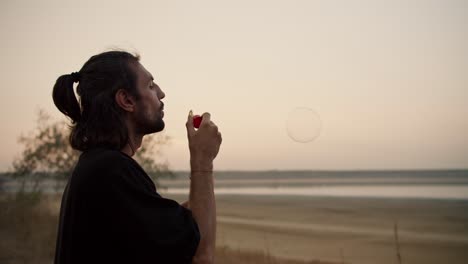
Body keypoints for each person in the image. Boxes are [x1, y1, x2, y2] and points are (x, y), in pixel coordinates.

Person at [52, 50, 222, 264]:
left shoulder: (98, 167)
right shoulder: (111, 172)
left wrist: (192, 208)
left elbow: (180, 230)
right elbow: (201, 256)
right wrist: (202, 161)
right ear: (126, 100)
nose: (161, 93)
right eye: (151, 85)